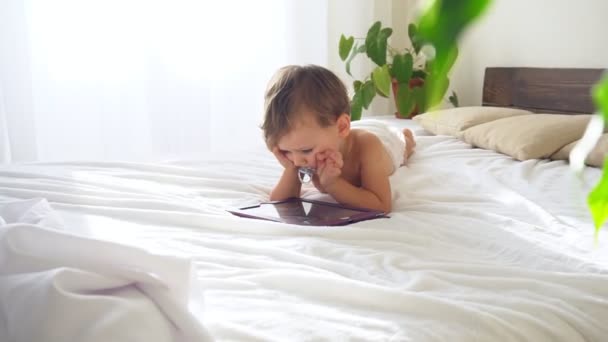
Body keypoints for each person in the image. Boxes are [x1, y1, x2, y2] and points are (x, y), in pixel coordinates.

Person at [261, 64, 416, 213]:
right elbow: (280, 203)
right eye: (286, 151)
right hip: (350, 130)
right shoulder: (302, 154)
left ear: (341, 127)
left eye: (306, 150)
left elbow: (381, 205)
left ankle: (408, 137)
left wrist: (334, 185)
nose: (297, 161)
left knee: (404, 149)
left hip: (386, 139)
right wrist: (290, 171)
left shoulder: (368, 147)